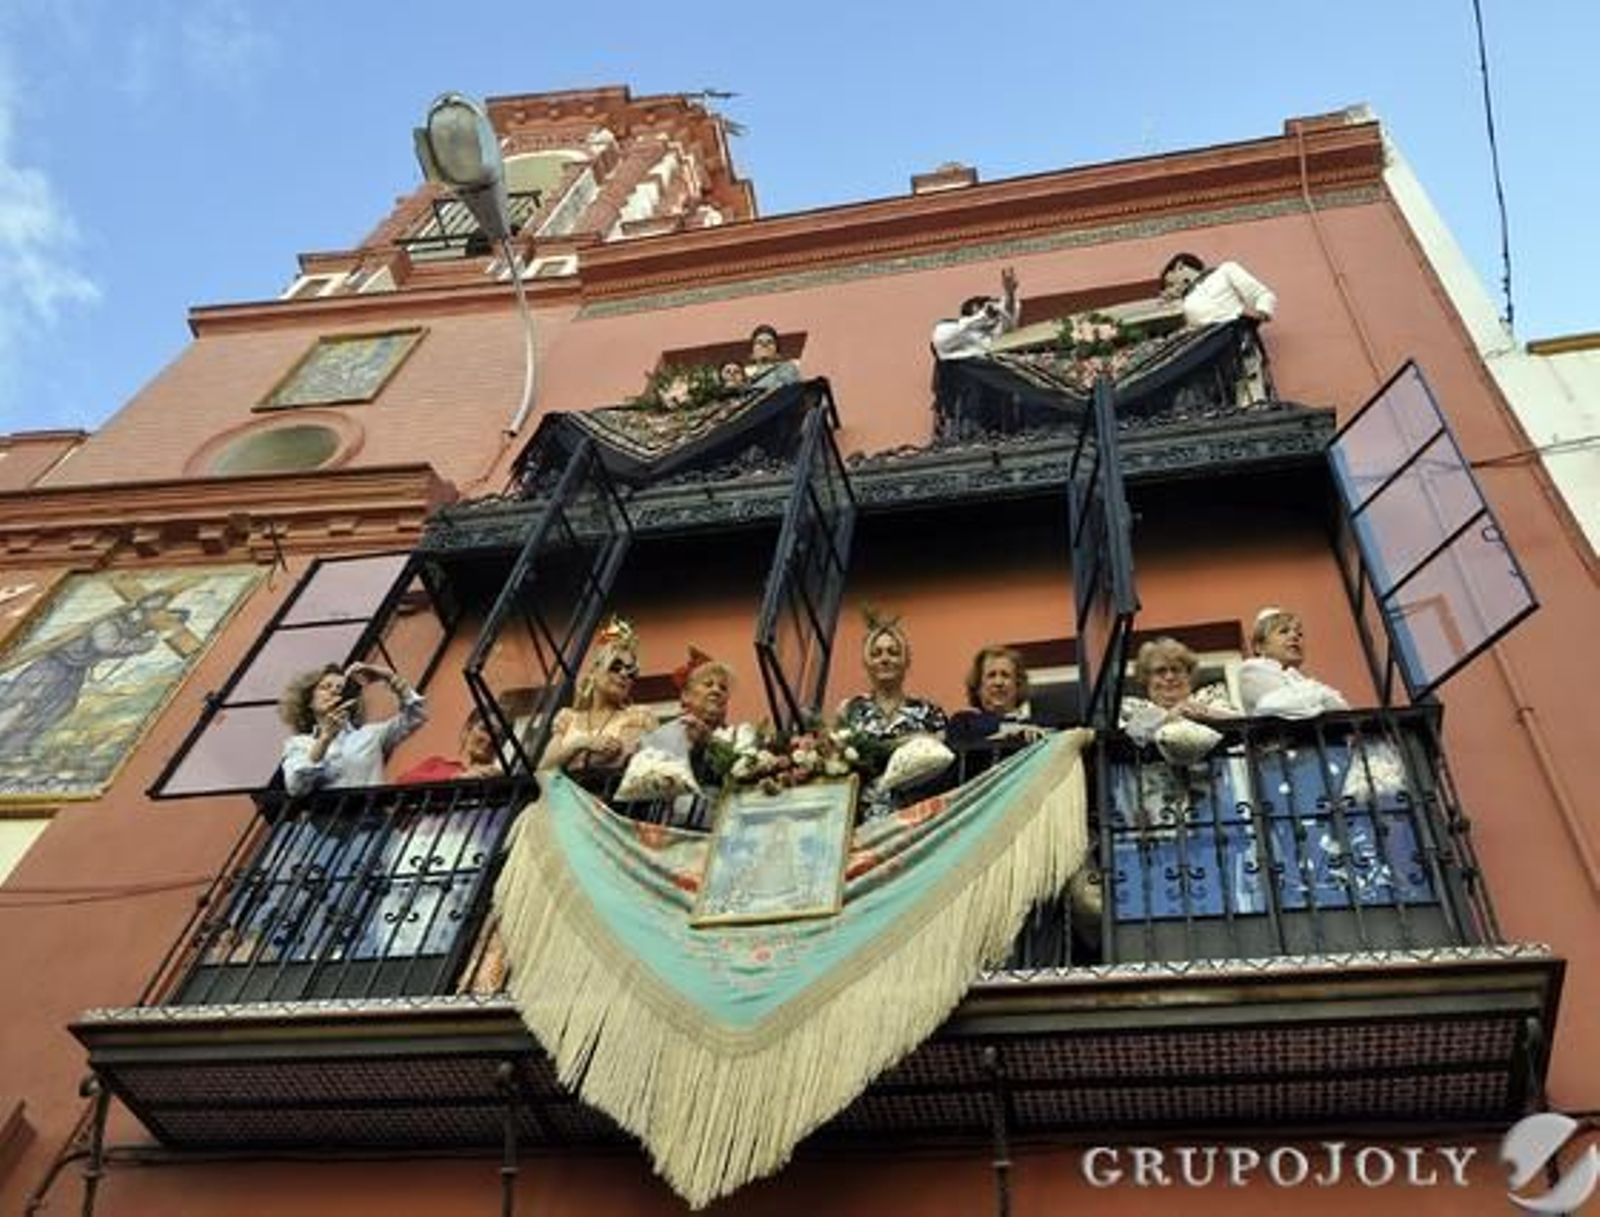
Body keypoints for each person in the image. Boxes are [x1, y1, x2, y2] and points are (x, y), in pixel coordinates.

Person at [0, 590, 191, 761]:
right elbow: (107, 646)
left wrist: (164, 627)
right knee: (23, 703)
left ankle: (11, 748)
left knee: (59, 708)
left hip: (75, 670)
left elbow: (139, 631)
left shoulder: (132, 625)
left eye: (160, 607)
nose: (155, 611)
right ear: (140, 604)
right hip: (53, 666)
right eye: (153, 606)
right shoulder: (110, 621)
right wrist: (150, 642)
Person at [278, 661, 426, 795]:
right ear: (309, 701)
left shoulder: (370, 734)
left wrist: (389, 677)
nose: (334, 691)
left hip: (374, 820)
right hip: (329, 822)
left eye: (341, 688)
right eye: (326, 687)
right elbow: (296, 787)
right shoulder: (299, 744)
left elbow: (415, 716)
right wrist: (325, 739)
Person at [633, 647, 736, 826]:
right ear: (686, 695)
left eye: (723, 687)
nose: (717, 690)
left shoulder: (737, 737)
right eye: (708, 684)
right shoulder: (662, 735)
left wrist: (709, 743)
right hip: (663, 833)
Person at [542, 617, 658, 777]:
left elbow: (620, 762)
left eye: (631, 671)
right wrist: (582, 744)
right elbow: (544, 768)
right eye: (615, 666)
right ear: (594, 672)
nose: (624, 674)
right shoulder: (567, 717)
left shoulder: (637, 715)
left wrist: (567, 759)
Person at [837, 610, 947, 741]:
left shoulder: (930, 712)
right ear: (867, 663)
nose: (885, 659)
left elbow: (945, 752)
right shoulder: (849, 709)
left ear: (906, 661)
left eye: (893, 652)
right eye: (876, 654)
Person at [1238, 608, 1349, 718]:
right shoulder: (1251, 671)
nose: (1294, 636)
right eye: (1283, 631)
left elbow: (1342, 709)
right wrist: (1320, 693)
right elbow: (1281, 705)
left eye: (1299, 634)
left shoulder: (1300, 678)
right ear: (1260, 647)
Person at [946, 645, 1051, 748]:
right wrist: (1007, 733)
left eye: (1005, 675)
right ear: (978, 686)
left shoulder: (1039, 723)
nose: (998, 682)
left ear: (1018, 684)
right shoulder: (963, 722)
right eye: (991, 675)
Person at [1159, 252, 1276, 327]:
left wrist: (1262, 313)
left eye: (1171, 284)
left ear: (1179, 266)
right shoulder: (1187, 304)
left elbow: (1262, 294)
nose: (1173, 290)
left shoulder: (1225, 271)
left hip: (1237, 334)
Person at [395, 706, 503, 784]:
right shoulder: (437, 763)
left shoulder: (495, 780)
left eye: (498, 736)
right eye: (484, 729)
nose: (490, 739)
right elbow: (402, 782)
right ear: (468, 729)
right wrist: (456, 779)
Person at [931, 267, 1020, 360]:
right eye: (979, 311)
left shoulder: (992, 334)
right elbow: (940, 340)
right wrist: (983, 316)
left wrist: (1010, 293)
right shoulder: (958, 336)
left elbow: (1009, 315)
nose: (990, 316)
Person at [745, 323, 801, 388]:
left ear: (777, 352)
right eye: (759, 342)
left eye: (770, 342)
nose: (764, 345)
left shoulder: (788, 369)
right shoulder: (748, 382)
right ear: (752, 353)